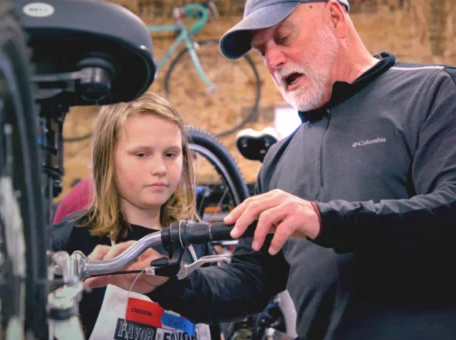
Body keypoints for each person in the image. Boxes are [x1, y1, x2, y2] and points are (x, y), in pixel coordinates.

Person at [81, 0, 456, 339]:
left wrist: (320, 218)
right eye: (263, 51)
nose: (273, 61)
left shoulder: (432, 93)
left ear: (335, 17)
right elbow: (248, 282)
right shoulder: (281, 159)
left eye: (284, 36)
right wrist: (160, 281)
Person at [51, 93, 218, 340]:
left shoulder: (195, 243)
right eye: (142, 154)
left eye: (171, 154)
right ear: (107, 159)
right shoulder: (72, 239)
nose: (160, 168)